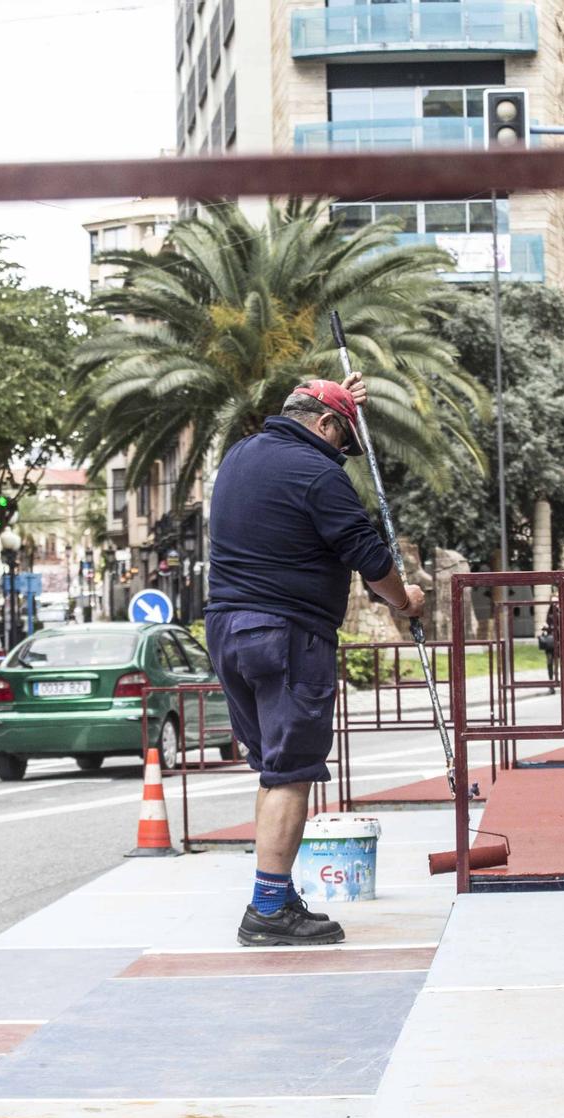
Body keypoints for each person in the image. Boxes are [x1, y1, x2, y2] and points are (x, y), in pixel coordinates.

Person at [205, 375, 425, 947]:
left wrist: (338, 396)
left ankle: (272, 892)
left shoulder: (241, 455)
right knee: (293, 773)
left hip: (228, 628)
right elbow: (369, 557)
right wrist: (405, 601)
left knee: (274, 769)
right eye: (342, 440)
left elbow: (307, 417)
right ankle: (269, 912)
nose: (343, 456)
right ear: (324, 426)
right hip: (285, 634)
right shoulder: (319, 475)